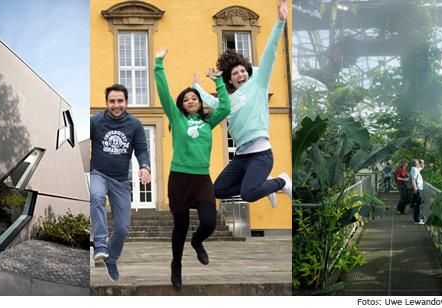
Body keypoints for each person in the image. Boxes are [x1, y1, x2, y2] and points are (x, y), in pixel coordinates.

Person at [192, 0, 291, 207]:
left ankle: (280, 181)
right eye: (235, 73)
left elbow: (269, 56)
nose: (240, 74)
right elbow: (212, 101)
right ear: (230, 79)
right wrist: (197, 87)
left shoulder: (259, 84)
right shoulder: (229, 99)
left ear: (249, 72)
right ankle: (266, 184)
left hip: (260, 153)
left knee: (248, 194)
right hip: (241, 156)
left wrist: (280, 22)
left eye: (243, 71)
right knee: (217, 190)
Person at [154, 47, 231, 290]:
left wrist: (218, 82)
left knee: (209, 222)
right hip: (179, 178)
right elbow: (164, 92)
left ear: (199, 102)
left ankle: (197, 242)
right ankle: (176, 264)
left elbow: (225, 108)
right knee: (181, 226)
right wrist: (159, 64)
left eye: (194, 98)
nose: (190, 101)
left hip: (201, 179)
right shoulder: (176, 119)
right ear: (182, 104)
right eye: (186, 99)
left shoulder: (209, 121)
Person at [90, 84, 151, 282]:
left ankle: (111, 258)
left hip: (121, 180)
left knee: (123, 228)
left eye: (120, 101)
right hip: (99, 173)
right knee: (97, 196)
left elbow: (141, 149)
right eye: (112, 101)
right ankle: (99, 244)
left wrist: (144, 166)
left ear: (126, 102)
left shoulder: (135, 124)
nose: (116, 105)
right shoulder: (95, 121)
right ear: (106, 102)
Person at [410, 159, 425, 224]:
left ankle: (416, 218)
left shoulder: (415, 169)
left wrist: (422, 162)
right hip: (418, 189)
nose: (419, 164)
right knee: (418, 204)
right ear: (416, 164)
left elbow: (422, 167)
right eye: (418, 163)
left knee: (417, 204)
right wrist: (415, 188)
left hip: (418, 188)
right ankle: (417, 220)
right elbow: (413, 180)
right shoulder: (415, 170)